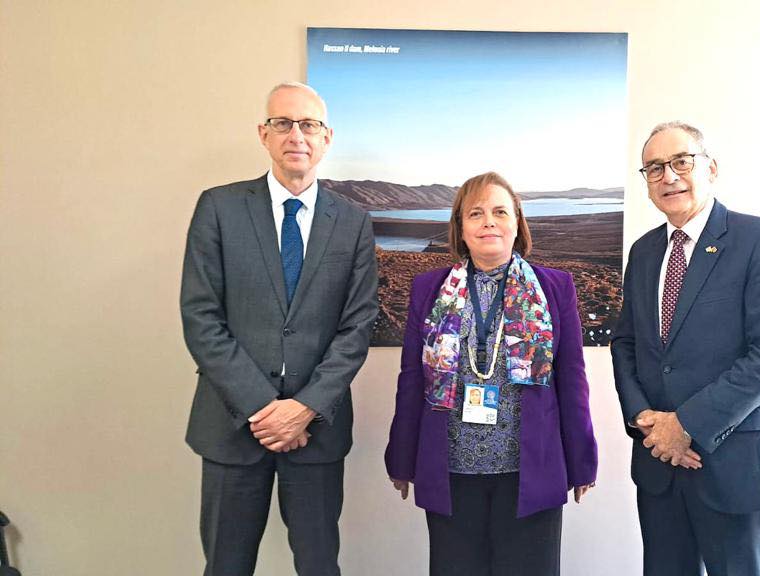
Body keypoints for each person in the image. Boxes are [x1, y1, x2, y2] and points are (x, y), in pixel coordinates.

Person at [180, 82, 378, 576]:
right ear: (263, 134)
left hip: (317, 432)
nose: (297, 135)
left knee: (318, 565)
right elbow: (201, 317)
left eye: (308, 124)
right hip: (232, 425)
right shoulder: (219, 208)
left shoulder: (352, 222)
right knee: (226, 565)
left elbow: (357, 327)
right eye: (283, 123)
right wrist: (265, 409)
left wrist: (303, 409)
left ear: (327, 137)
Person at [385, 171, 598, 576]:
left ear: (517, 223)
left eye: (500, 212)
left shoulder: (555, 287)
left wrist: (582, 460)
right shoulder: (428, 289)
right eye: (476, 213)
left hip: (530, 469)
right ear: (460, 228)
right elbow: (411, 379)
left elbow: (572, 378)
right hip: (451, 470)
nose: (489, 222)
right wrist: (402, 458)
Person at [611, 122, 760, 576]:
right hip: (659, 465)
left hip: (733, 466)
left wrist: (687, 425)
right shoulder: (644, 252)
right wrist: (644, 420)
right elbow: (625, 343)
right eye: (654, 168)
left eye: (681, 161)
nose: (668, 176)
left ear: (710, 167)